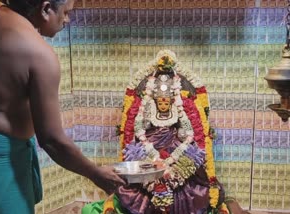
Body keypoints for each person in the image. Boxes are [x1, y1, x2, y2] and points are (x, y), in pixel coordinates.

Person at [0, 0, 125, 213]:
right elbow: (52, 140)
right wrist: (96, 173)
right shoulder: (39, 54)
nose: (68, 20)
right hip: (0, 165)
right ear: (46, 9)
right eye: (66, 12)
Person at [82, 50, 243, 214]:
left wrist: (177, 152)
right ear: (155, 100)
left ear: (173, 100)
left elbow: (189, 135)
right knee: (137, 178)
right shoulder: (147, 110)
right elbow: (138, 132)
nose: (163, 104)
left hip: (178, 153)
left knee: (194, 181)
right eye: (160, 101)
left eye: (167, 100)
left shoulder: (181, 110)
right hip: (150, 152)